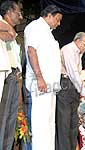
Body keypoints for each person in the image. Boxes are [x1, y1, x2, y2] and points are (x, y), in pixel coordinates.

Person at [24, 5, 62, 150]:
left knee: (49, 122)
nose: (58, 24)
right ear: (49, 15)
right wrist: (39, 78)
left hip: (51, 85)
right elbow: (31, 51)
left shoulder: (48, 32)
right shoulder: (36, 27)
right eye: (57, 20)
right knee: (41, 122)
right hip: (41, 83)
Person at [56, 32, 85, 150]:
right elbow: (73, 73)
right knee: (64, 124)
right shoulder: (68, 49)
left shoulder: (78, 54)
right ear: (77, 40)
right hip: (66, 86)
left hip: (74, 89)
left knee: (73, 125)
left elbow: (78, 74)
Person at [0, 1, 23, 149]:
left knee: (11, 118)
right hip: (5, 74)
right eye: (18, 12)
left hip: (15, 75)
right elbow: (9, 35)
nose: (20, 16)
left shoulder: (11, 32)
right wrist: (9, 29)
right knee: (2, 117)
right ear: (8, 11)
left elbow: (11, 36)